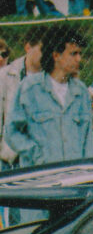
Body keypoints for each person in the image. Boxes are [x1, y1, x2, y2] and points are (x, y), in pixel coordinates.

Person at [6, 26, 93, 174]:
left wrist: (90, 172)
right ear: (56, 55)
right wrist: (37, 156)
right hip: (40, 180)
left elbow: (88, 141)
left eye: (80, 53)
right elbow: (12, 132)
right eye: (73, 53)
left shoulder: (81, 92)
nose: (79, 59)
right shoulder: (29, 89)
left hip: (76, 179)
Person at [0, 27, 46, 171]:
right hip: (10, 158)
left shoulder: (54, 76)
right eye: (42, 50)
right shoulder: (6, 75)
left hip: (42, 159)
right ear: (28, 47)